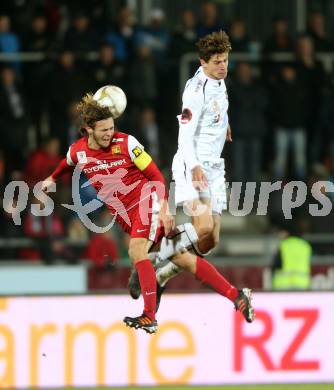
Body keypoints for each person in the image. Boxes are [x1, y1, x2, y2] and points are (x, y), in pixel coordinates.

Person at [42, 93, 174, 334]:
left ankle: (150, 314)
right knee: (165, 254)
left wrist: (165, 208)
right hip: (125, 214)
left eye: (111, 128)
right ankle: (163, 267)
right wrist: (51, 178)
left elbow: (156, 176)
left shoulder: (127, 143)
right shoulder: (79, 151)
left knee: (136, 250)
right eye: (103, 130)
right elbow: (66, 163)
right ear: (88, 130)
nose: (109, 134)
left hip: (146, 201)